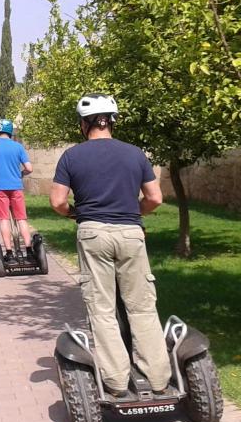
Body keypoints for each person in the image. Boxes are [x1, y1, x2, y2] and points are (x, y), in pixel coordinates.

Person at [49, 93, 171, 397]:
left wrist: (76, 214)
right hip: (131, 233)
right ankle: (157, 379)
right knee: (142, 306)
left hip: (92, 234)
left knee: (102, 309)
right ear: (112, 121)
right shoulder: (135, 154)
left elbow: (57, 202)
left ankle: (116, 382)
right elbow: (155, 198)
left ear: (83, 124)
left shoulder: (72, 156)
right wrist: (132, 213)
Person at [0, 120, 34, 264]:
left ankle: (9, 253)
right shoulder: (18, 147)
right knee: (21, 219)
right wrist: (20, 174)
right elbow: (29, 168)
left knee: (4, 219)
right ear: (10, 131)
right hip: (16, 187)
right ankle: (28, 251)